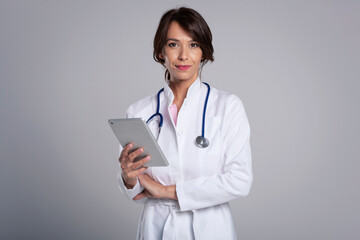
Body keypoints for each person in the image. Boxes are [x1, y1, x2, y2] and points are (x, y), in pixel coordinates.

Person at [117, 7, 253, 239]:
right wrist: (128, 178)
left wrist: (165, 191)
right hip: (156, 227)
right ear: (161, 52)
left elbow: (240, 181)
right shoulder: (139, 111)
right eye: (173, 44)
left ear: (204, 52)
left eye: (193, 44)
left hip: (210, 228)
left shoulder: (227, 106)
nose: (183, 55)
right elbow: (136, 190)